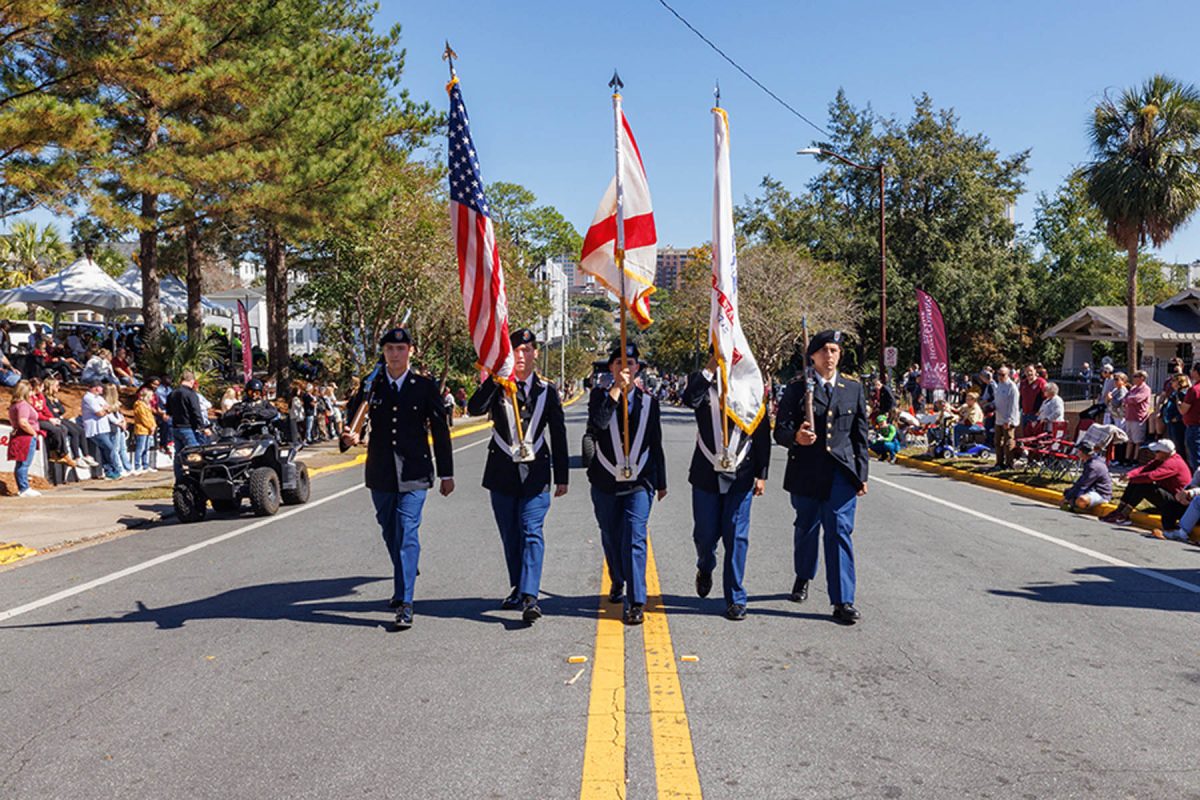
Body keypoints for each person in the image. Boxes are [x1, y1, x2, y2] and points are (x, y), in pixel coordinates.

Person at [340, 327, 454, 630]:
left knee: (407, 531)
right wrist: (348, 438)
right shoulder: (371, 385)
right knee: (390, 530)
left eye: (401, 349)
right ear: (384, 352)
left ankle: (405, 602)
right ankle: (406, 570)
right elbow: (353, 425)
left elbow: (440, 431)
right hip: (380, 471)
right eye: (390, 348)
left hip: (415, 472)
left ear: (411, 352)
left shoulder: (425, 386)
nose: (395, 354)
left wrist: (447, 473)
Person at [467, 329, 568, 623]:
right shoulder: (498, 386)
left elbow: (558, 434)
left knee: (531, 531)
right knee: (511, 535)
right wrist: (496, 378)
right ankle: (518, 586)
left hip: (536, 474)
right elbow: (474, 408)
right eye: (514, 351)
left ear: (535, 353)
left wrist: (562, 476)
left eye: (526, 350)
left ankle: (530, 596)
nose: (521, 357)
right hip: (502, 473)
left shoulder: (547, 390)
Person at [774, 329, 869, 625]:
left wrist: (862, 474)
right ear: (812, 355)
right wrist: (796, 437)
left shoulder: (852, 388)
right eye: (824, 350)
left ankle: (843, 600)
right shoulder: (797, 388)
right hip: (806, 471)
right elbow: (780, 430)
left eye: (834, 350)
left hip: (841, 473)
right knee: (806, 528)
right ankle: (803, 575)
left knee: (839, 533)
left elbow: (860, 435)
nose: (830, 356)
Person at [682, 352, 771, 621]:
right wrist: (709, 369)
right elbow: (689, 400)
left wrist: (762, 473)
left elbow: (762, 432)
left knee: (736, 537)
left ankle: (735, 598)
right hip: (706, 474)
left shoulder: (751, 387)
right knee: (705, 535)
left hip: (741, 473)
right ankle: (705, 566)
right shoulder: (702, 383)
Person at [585, 342, 668, 626]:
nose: (625, 367)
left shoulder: (649, 403)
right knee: (611, 534)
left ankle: (636, 602)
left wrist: (662, 482)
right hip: (606, 480)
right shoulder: (599, 396)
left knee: (634, 537)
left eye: (630, 363)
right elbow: (597, 424)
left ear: (637, 369)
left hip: (640, 481)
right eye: (619, 363)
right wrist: (616, 390)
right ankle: (617, 577)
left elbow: (656, 443)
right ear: (611, 368)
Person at [1100, 439, 1191, 527]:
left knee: (1144, 485)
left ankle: (1124, 515)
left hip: (1178, 502)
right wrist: (1129, 475)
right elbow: (1144, 468)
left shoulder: (1173, 463)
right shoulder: (1163, 459)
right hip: (1169, 495)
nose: (1154, 453)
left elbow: (1151, 476)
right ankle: (1120, 510)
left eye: (1157, 451)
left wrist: (1132, 479)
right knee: (1136, 481)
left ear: (1165, 453)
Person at [167, 370, 210, 481]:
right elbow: (196, 412)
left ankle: (179, 479)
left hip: (176, 427)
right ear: (192, 381)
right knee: (194, 454)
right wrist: (203, 427)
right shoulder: (191, 394)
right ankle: (195, 478)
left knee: (178, 455)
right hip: (188, 428)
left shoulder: (172, 393)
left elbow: (169, 411)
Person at [7, 379, 42, 496]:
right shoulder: (23, 405)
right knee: (24, 463)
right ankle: (24, 488)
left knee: (21, 463)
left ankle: (23, 487)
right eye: (31, 391)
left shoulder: (15, 405)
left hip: (21, 436)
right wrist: (33, 433)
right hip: (25, 437)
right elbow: (23, 422)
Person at [81, 380, 120, 479]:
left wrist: (117, 422)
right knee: (109, 447)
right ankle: (112, 469)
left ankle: (109, 471)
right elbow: (99, 413)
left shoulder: (99, 398)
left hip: (104, 428)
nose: (102, 389)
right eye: (101, 387)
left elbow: (108, 410)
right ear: (96, 387)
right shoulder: (88, 398)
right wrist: (106, 409)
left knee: (105, 449)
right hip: (95, 429)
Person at [1061, 440, 1112, 513]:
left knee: (1081, 500)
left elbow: (1083, 484)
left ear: (1082, 452)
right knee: (1068, 492)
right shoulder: (1090, 462)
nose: (1077, 452)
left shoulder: (1093, 466)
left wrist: (1068, 498)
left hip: (1101, 494)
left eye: (1079, 450)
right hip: (1091, 489)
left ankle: (1077, 506)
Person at [991, 366, 1021, 470]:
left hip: (1008, 420)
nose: (1000, 377)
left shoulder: (1012, 387)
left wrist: (1009, 420)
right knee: (997, 442)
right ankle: (999, 462)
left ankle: (1009, 463)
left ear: (1008, 375)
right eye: (998, 374)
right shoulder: (999, 385)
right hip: (998, 418)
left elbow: (1013, 406)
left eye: (1002, 375)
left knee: (1008, 442)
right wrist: (992, 406)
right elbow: (997, 400)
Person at [1122, 370, 1152, 464]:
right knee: (1129, 440)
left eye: (1136, 376)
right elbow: (1125, 398)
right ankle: (1127, 459)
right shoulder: (1133, 388)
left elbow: (1136, 399)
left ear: (1142, 378)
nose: (1133, 378)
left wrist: (1127, 399)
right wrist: (1127, 399)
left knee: (1137, 441)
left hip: (1138, 417)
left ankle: (1135, 459)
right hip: (1129, 417)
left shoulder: (1145, 389)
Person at [1162, 373, 1189, 458]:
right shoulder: (1175, 392)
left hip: (1178, 423)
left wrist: (1177, 418)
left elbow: (1185, 408)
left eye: (1173, 381)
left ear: (1179, 382)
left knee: (1178, 445)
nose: (1171, 383)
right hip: (1170, 421)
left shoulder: (1182, 393)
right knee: (1173, 444)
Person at [132, 387, 157, 473]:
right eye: (151, 396)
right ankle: (137, 465)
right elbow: (143, 418)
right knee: (140, 448)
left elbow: (150, 417)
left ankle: (145, 465)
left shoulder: (147, 406)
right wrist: (151, 426)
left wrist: (153, 425)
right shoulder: (139, 405)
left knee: (146, 448)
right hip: (141, 430)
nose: (152, 398)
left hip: (148, 430)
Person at [1018, 365, 1047, 436]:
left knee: (1035, 436)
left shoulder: (1041, 382)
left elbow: (1046, 399)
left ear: (1035, 371)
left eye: (1031, 371)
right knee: (1026, 435)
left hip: (1036, 415)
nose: (1029, 373)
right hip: (1025, 414)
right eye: (1027, 371)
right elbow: (1021, 397)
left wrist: (1040, 411)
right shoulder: (1023, 383)